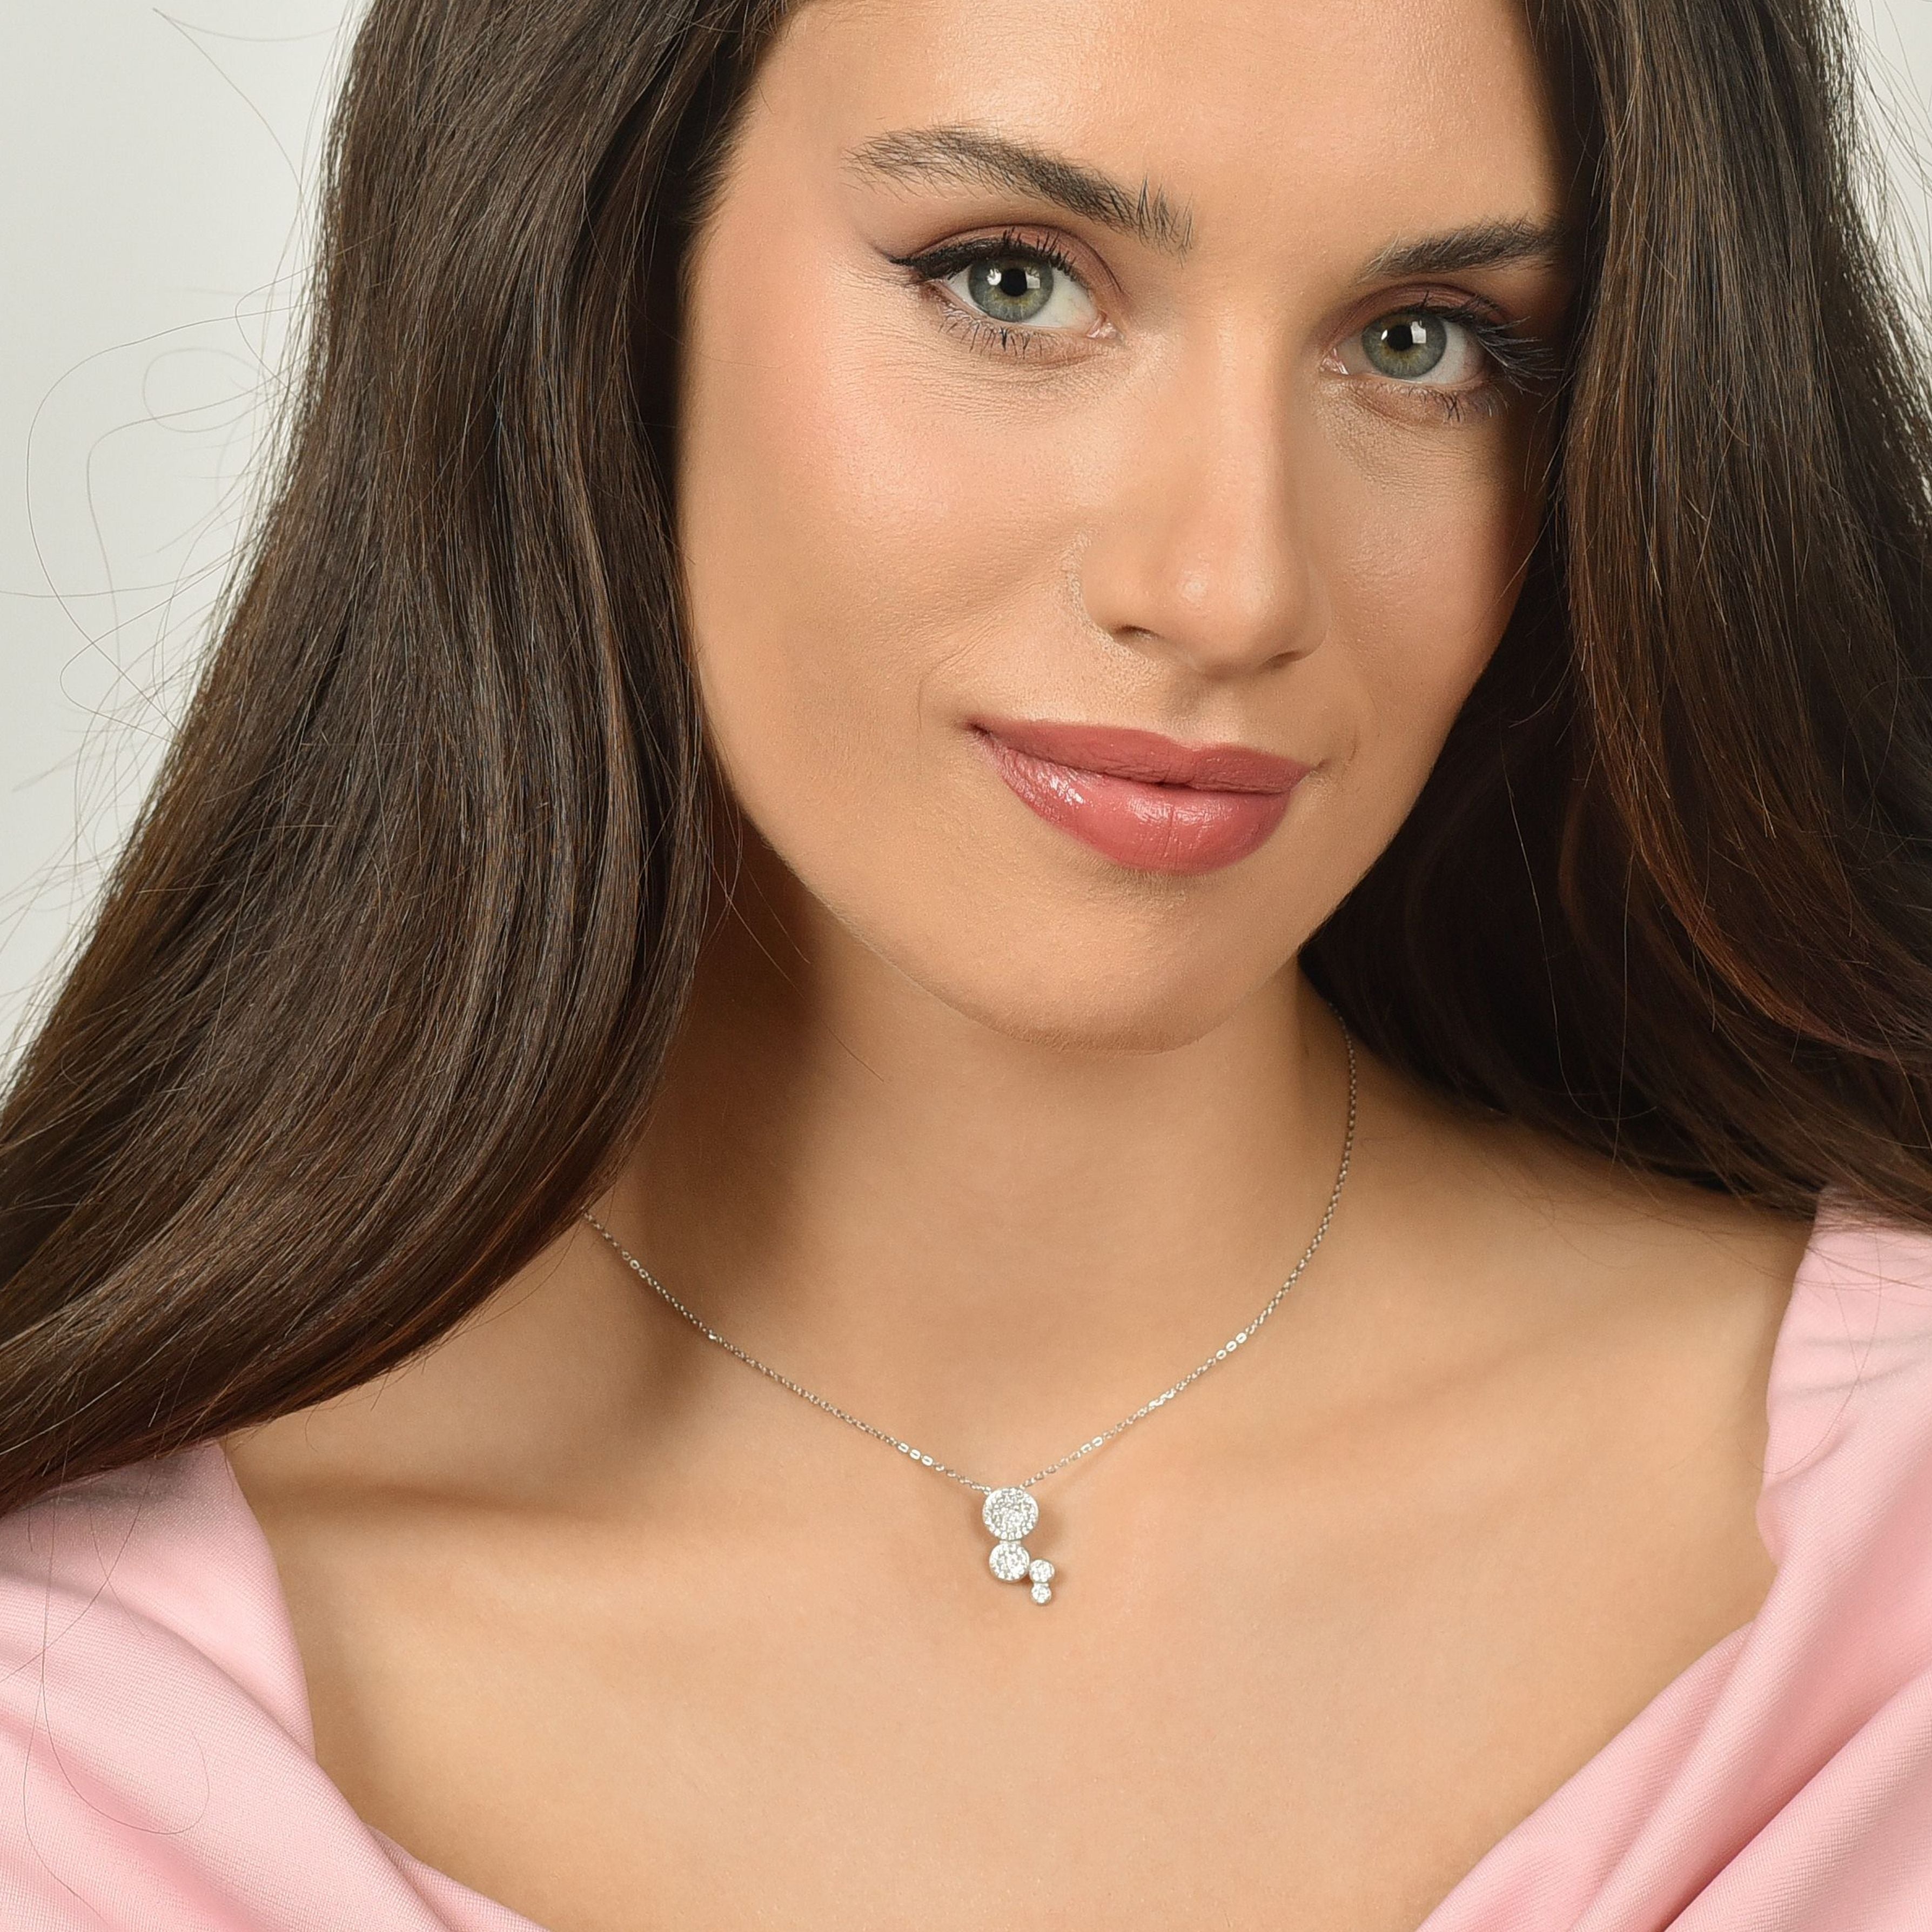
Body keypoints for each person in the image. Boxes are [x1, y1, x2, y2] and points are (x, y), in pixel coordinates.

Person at [4, 0, 1932, 1924]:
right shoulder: (74, 1723)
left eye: (1423, 343)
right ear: (592, 280)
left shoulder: (1892, 1548)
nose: (1229, 588)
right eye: (1011, 281)